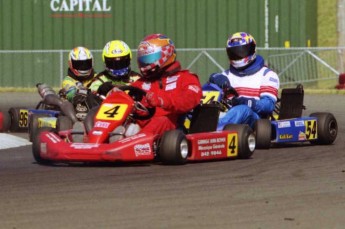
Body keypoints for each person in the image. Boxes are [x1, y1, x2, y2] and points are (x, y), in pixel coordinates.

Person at [131, 33, 202, 136]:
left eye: (149, 59)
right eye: (143, 60)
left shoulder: (185, 78)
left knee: (162, 120)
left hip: (172, 132)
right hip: (141, 124)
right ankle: (104, 144)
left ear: (165, 55)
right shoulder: (140, 83)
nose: (145, 64)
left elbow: (190, 99)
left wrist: (162, 100)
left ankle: (133, 146)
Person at [209, 32, 280, 130]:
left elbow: (268, 105)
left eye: (241, 51)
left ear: (252, 50)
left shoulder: (267, 75)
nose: (238, 55)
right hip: (228, 114)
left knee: (242, 109)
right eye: (234, 52)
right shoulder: (226, 75)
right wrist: (214, 78)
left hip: (256, 120)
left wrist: (247, 102)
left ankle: (214, 131)